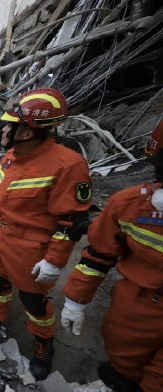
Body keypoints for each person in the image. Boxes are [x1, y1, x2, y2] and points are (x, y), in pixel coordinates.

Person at [0, 87, 92, 380]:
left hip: (30, 248)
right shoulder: (10, 157)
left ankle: (43, 346)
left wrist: (54, 261)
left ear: (29, 131)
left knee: (34, 301)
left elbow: (70, 221)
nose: (5, 130)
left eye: (11, 125)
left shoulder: (68, 166)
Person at [60, 122, 163, 392]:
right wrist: (75, 300)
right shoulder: (132, 204)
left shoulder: (74, 166)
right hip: (136, 312)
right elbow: (99, 254)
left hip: (142, 305)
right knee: (121, 372)